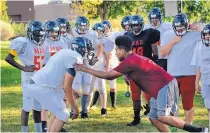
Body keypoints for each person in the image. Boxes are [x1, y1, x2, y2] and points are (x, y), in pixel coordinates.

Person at [74, 35, 208, 132]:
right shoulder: (133, 58)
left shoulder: (130, 61)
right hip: (162, 86)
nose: (115, 53)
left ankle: (200, 131)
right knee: (154, 118)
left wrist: (85, 68)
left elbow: (109, 76)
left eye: (116, 51)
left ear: (121, 50)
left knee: (162, 116)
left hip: (164, 86)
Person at [26, 37, 96, 132]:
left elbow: (61, 78)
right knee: (63, 114)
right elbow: (67, 87)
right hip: (43, 87)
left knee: (57, 113)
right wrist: (76, 109)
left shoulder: (65, 52)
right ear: (82, 49)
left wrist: (71, 90)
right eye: (88, 50)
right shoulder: (76, 58)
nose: (88, 53)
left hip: (38, 84)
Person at [160, 13, 201, 125]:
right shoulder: (168, 34)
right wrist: (173, 41)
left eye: (182, 27)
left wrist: (197, 28)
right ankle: (173, 127)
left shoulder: (195, 35)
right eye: (178, 28)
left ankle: (189, 126)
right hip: (172, 75)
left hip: (189, 74)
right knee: (170, 105)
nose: (180, 30)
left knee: (188, 104)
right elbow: (163, 53)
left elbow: (207, 35)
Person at [5, 20, 46, 132]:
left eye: (41, 35)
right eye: (37, 34)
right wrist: (24, 67)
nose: (39, 37)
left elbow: (44, 60)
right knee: (27, 107)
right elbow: (8, 58)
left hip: (40, 78)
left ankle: (39, 131)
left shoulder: (44, 43)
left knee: (38, 107)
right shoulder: (23, 42)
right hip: (28, 77)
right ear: (31, 33)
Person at [124, 14, 160, 126]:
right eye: (134, 25)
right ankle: (136, 118)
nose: (136, 27)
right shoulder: (127, 36)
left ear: (142, 25)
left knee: (150, 95)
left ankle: (156, 116)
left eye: (138, 25)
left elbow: (155, 51)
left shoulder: (148, 34)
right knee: (135, 95)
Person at [70, 16, 103, 117]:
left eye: (85, 26)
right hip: (75, 60)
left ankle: (84, 111)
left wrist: (94, 59)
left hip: (87, 59)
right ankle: (73, 111)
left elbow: (100, 47)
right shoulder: (72, 33)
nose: (83, 29)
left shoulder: (92, 33)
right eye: (81, 26)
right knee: (75, 87)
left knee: (87, 87)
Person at [191, 24, 210, 130]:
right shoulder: (199, 46)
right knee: (209, 105)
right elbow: (199, 64)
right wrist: (196, 81)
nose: (208, 36)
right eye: (206, 34)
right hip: (205, 78)